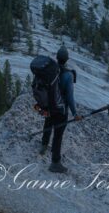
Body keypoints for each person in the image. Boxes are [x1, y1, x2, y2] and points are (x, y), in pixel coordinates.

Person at [40, 45, 81, 173]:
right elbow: (69, 96)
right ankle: (55, 163)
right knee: (58, 136)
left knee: (48, 123)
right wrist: (75, 113)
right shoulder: (68, 75)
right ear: (67, 59)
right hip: (61, 110)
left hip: (50, 106)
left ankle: (44, 145)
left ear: (57, 58)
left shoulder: (51, 70)